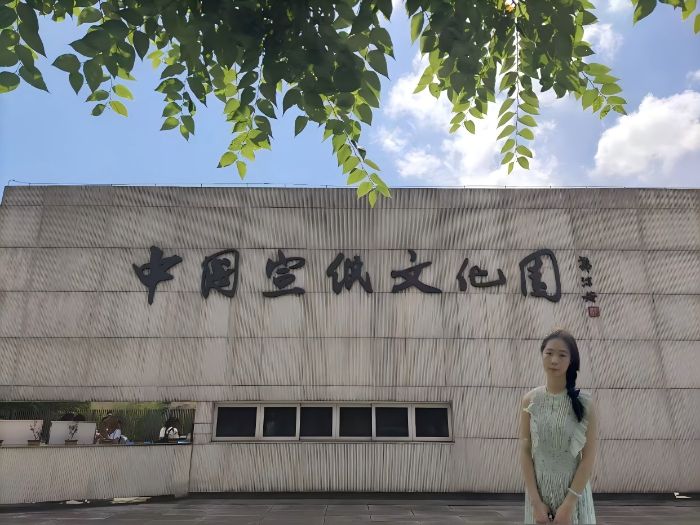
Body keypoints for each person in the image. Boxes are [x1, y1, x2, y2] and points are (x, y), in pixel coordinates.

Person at [519, 329, 598, 525]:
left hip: (574, 496)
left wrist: (569, 505)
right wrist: (535, 502)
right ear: (542, 355)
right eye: (549, 353)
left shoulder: (585, 403)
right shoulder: (530, 400)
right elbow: (525, 451)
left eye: (562, 355)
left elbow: (588, 458)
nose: (554, 360)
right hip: (539, 495)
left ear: (571, 361)